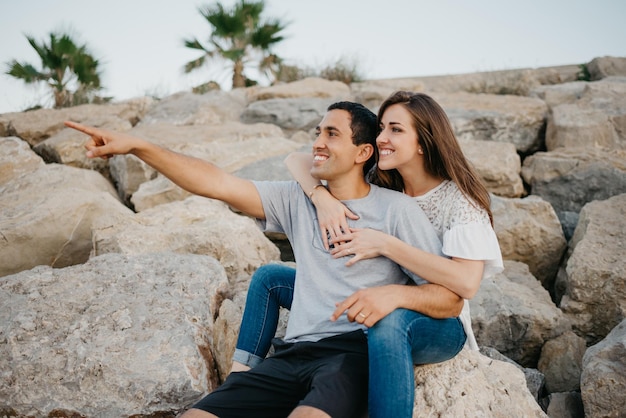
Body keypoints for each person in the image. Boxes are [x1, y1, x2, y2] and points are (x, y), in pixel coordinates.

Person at [65, 100, 463, 418]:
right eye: (317, 132)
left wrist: (392, 296)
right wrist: (140, 146)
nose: (318, 142)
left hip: (350, 354)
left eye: (332, 134)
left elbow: (447, 297)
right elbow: (217, 182)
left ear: (363, 151)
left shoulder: (396, 211)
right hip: (291, 355)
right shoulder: (295, 199)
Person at [231, 91, 504, 417]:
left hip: (436, 319)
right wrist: (320, 197)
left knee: (388, 320)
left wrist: (385, 244)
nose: (382, 137)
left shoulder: (459, 203)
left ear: (423, 142)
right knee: (271, 278)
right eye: (381, 128)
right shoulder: (383, 183)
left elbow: (465, 284)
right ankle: (240, 377)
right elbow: (296, 159)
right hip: (376, 301)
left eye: (395, 130)